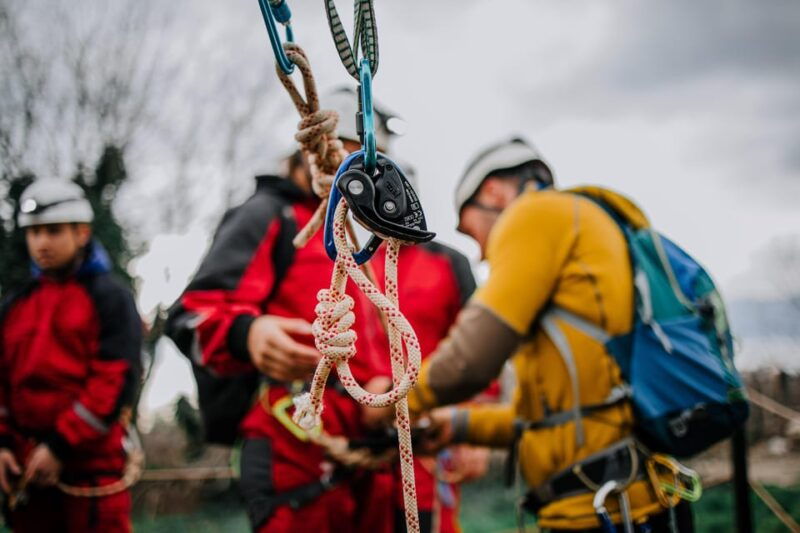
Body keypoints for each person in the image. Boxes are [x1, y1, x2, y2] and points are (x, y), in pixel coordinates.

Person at [404, 138, 695, 532]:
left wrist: (397, 401)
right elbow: (543, 419)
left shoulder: (534, 215)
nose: (480, 255)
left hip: (604, 506)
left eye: (472, 233)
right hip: (631, 499)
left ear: (493, 193)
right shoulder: (579, 236)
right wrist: (456, 425)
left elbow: (470, 361)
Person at [164, 88, 399, 533]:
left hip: (365, 446)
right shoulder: (271, 216)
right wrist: (247, 334)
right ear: (309, 154)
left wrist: (379, 382)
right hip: (293, 442)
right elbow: (190, 316)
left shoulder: (362, 239)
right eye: (344, 157)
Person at [0, 180, 142, 532]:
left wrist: (59, 447)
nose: (41, 243)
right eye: (33, 233)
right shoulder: (14, 304)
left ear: (81, 233)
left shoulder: (111, 298)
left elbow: (113, 381)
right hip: (25, 475)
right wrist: (2, 444)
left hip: (90, 477)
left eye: (53, 231)